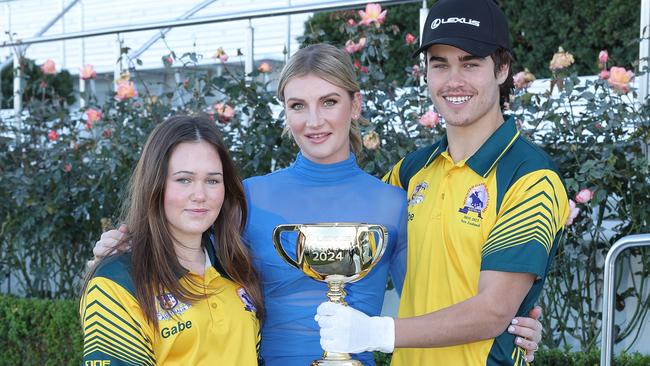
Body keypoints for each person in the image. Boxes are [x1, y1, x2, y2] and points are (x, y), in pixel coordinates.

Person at [92, 44, 543, 365]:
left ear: (355, 104)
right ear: (284, 113)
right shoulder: (243, 197)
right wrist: (120, 247)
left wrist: (514, 325)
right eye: (297, 105)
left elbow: (434, 296)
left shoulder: (392, 201)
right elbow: (178, 249)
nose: (314, 121)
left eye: (328, 102)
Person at [315, 1, 569, 365]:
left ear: (502, 68)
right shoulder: (411, 171)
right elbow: (343, 237)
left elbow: (494, 311)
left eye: (470, 63)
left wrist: (377, 332)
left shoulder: (530, 178)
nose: (454, 81)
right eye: (440, 64)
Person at [80, 115, 264, 365]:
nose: (200, 195)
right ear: (155, 185)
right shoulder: (118, 281)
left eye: (212, 180)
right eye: (184, 179)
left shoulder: (235, 267)